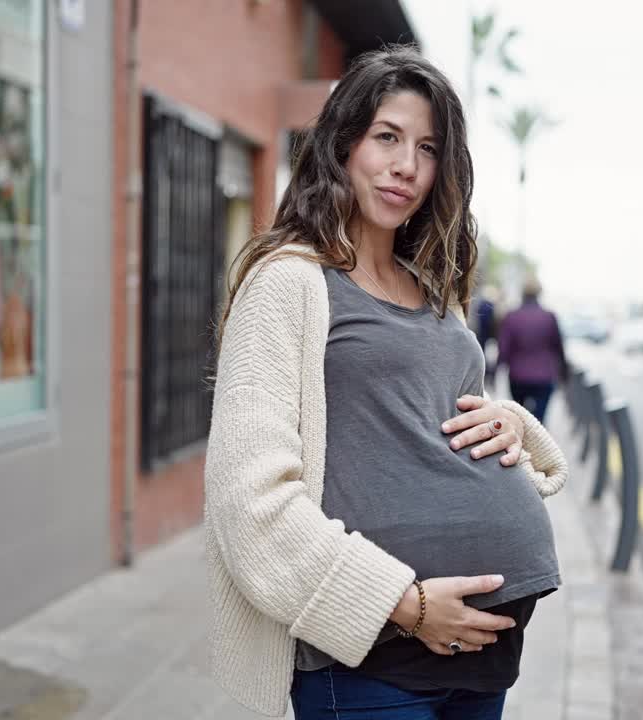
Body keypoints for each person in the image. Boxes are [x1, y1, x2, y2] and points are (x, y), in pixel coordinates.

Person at [205, 46, 569, 720]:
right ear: (344, 146)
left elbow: (431, 420)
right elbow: (248, 503)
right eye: (387, 138)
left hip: (482, 655)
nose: (407, 165)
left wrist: (512, 423)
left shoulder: (433, 290)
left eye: (427, 149)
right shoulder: (289, 282)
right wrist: (406, 605)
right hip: (372, 657)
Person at [497, 277, 569, 423]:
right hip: (545, 376)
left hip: (518, 376)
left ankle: (521, 444)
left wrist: (494, 370)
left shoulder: (512, 317)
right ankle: (537, 445)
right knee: (539, 421)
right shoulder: (549, 317)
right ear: (539, 293)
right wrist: (564, 371)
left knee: (518, 419)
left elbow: (504, 348)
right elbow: (558, 346)